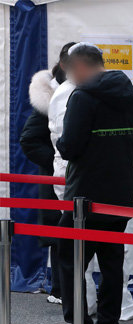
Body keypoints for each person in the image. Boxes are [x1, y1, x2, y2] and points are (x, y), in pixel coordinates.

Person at [44, 43, 133, 324]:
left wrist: (71, 143)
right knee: (112, 260)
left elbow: (69, 147)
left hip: (85, 196)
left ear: (79, 66)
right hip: (120, 193)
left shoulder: (83, 97)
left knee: (70, 257)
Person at [20, 42, 75, 305]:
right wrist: (56, 164)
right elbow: (29, 140)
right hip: (56, 178)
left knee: (69, 233)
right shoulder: (50, 98)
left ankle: (65, 289)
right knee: (60, 235)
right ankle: (59, 289)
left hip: (69, 176)